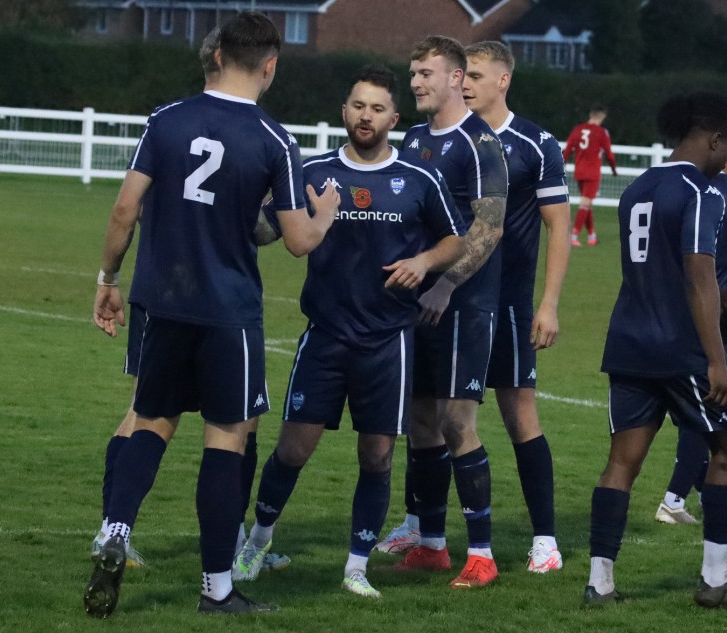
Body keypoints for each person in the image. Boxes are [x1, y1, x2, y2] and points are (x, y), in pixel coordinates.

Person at [82, 12, 339, 618]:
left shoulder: (164, 122)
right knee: (227, 438)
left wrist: (108, 279)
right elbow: (298, 240)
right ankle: (217, 589)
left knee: (150, 420)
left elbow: (124, 211)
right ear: (270, 65)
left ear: (216, 54)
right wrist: (324, 210)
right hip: (228, 313)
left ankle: (115, 530)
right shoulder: (276, 141)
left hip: (164, 302)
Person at [230, 65, 465, 599]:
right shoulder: (312, 173)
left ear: (393, 118)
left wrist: (425, 262)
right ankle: (258, 541)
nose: (366, 116)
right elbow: (263, 229)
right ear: (344, 111)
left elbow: (457, 239)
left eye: (377, 108)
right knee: (293, 449)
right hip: (327, 336)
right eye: (358, 105)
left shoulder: (418, 180)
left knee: (378, 455)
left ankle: (356, 566)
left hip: (389, 341)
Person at [586, 92, 727, 609]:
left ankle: (599, 585)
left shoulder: (639, 186)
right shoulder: (702, 191)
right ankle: (716, 582)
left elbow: (658, 271)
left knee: (621, 463)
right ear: (714, 140)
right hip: (683, 349)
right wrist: (716, 360)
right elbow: (695, 277)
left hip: (628, 342)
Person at [378, 35, 508, 590]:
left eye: (426, 72)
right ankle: (431, 544)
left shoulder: (481, 144)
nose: (416, 82)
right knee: (421, 423)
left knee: (457, 423)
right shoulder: (410, 139)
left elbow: (490, 225)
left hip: (464, 303)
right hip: (416, 303)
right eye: (412, 73)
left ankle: (481, 554)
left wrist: (447, 284)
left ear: (457, 77)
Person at [461, 40, 571, 572]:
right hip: (447, 300)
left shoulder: (535, 144)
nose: (465, 83)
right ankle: (421, 528)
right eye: (463, 74)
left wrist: (547, 305)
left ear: (503, 80)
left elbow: (559, 227)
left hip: (507, 305)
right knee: (434, 416)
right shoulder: (446, 139)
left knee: (519, 416)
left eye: (476, 75)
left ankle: (545, 542)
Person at [655, 129, 727, 525]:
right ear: (724, 151)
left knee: (693, 408)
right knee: (710, 405)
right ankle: (675, 498)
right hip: (720, 317)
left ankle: (691, 486)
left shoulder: (687, 192)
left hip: (675, 314)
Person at [563, 105, 617, 246]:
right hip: (593, 172)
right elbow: (609, 154)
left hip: (580, 171)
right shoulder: (601, 132)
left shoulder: (578, 129)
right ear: (602, 117)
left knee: (587, 205)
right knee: (585, 204)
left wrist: (563, 164)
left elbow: (567, 149)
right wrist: (613, 169)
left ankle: (591, 235)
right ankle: (573, 236)